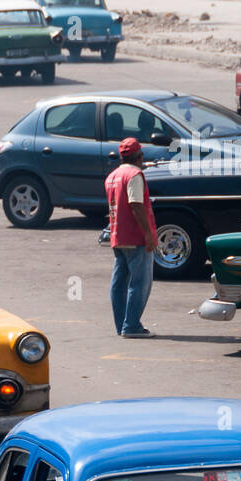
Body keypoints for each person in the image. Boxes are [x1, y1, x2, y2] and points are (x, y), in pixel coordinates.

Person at [105, 137, 158, 338]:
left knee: (119, 283)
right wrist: (148, 234)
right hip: (136, 238)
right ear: (139, 156)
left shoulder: (112, 176)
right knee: (140, 283)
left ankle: (123, 325)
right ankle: (132, 326)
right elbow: (136, 205)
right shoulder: (135, 175)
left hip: (118, 236)